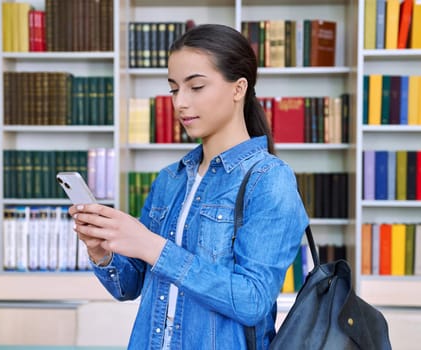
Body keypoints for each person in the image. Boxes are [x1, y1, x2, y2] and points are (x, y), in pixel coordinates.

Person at [68, 23, 309, 350]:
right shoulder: (170, 179)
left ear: (238, 89)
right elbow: (131, 285)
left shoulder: (269, 179)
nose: (180, 102)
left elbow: (252, 302)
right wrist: (101, 250)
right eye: (173, 89)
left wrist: (153, 247)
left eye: (195, 87)